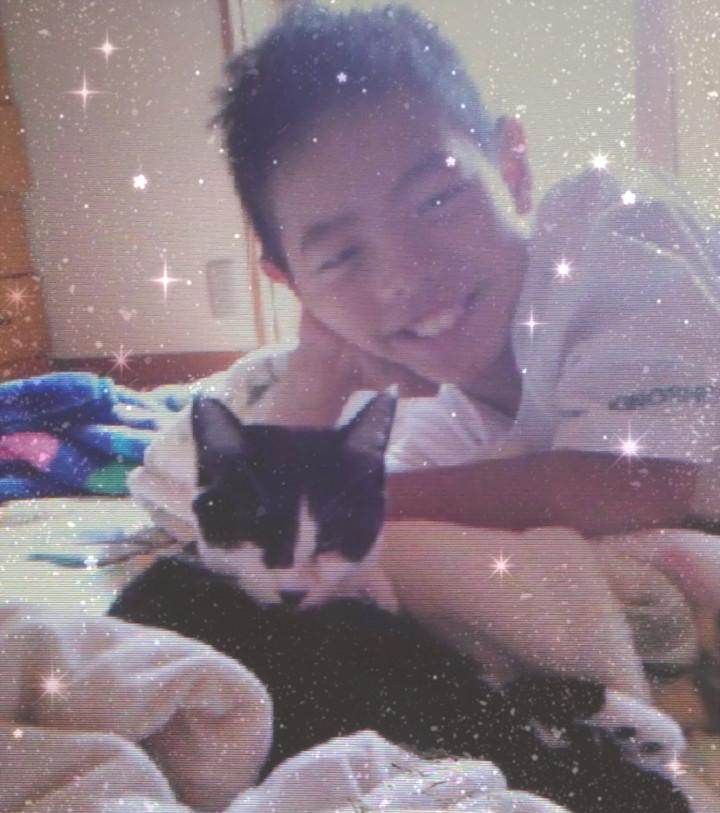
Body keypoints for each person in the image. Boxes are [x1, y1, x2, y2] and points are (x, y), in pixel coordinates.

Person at [128, 1, 720, 699]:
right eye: (341, 256)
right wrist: (317, 373)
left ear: (513, 167)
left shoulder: (612, 229)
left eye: (437, 200)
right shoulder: (446, 418)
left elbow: (638, 481)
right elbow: (263, 537)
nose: (405, 274)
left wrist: (362, 501)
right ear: (294, 286)